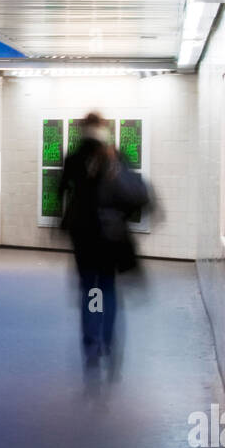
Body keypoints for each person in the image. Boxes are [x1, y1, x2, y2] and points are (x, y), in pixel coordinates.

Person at [59, 112, 149, 377]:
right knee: (107, 287)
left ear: (82, 129)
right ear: (102, 129)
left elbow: (61, 190)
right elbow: (134, 194)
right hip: (110, 236)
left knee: (89, 288)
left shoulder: (73, 157)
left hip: (83, 235)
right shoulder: (115, 156)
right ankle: (107, 341)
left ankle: (91, 343)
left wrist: (63, 220)